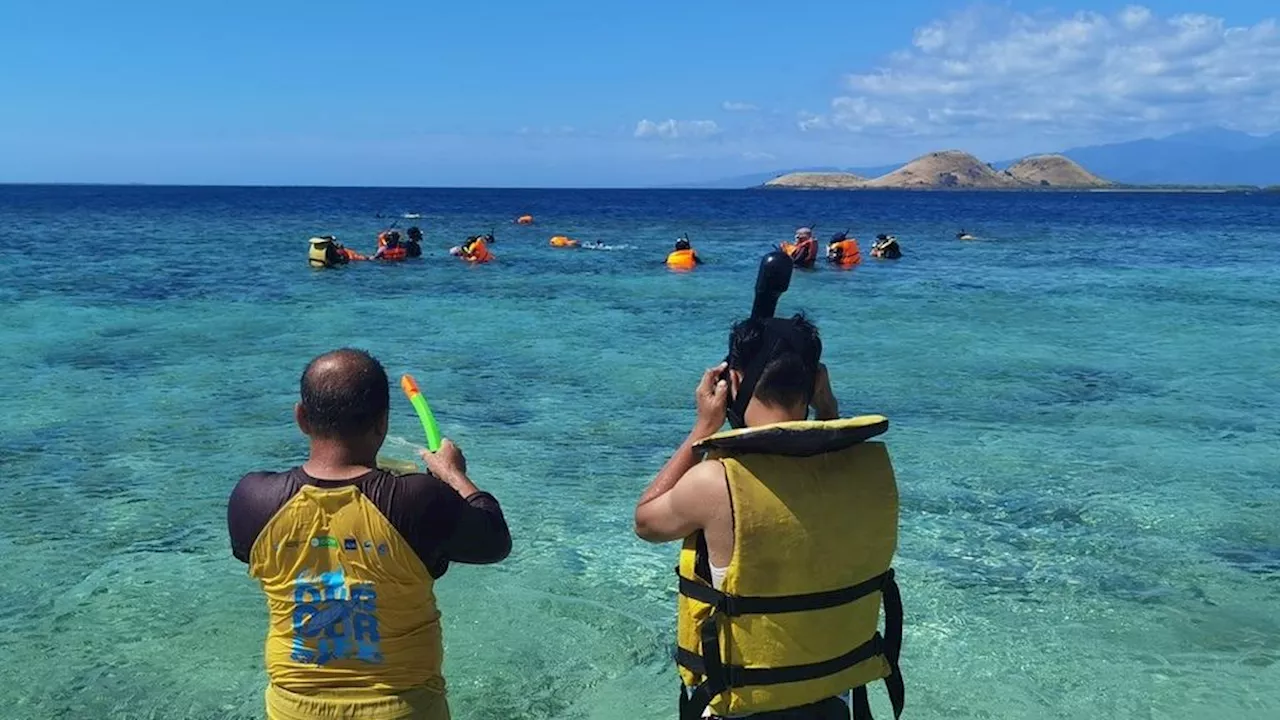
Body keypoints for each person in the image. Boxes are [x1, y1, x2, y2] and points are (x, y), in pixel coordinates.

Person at [633, 314, 904, 720]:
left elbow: (646, 522)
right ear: (816, 383)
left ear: (734, 383)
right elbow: (824, 457)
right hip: (833, 702)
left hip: (742, 707)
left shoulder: (715, 482)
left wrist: (702, 428)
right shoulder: (860, 470)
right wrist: (828, 408)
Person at [227, 348, 512, 720]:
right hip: (405, 710)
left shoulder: (253, 499)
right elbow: (494, 540)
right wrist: (453, 474)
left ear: (301, 417)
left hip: (293, 710)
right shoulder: (417, 500)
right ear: (383, 423)